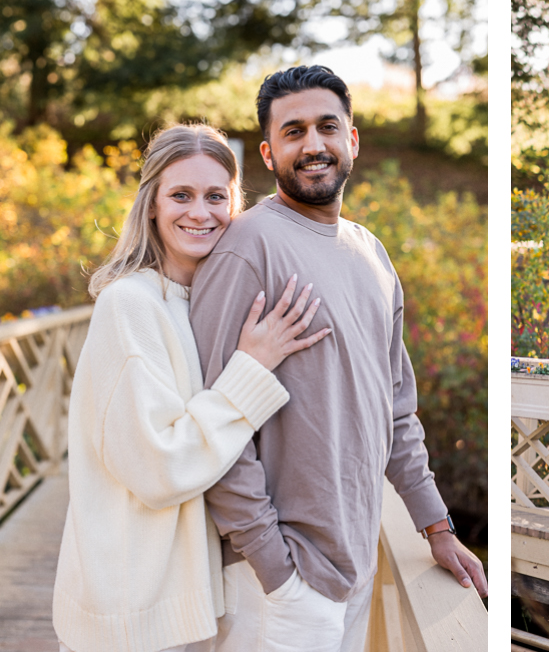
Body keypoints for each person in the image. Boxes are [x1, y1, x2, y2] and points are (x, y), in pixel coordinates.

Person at [189, 65, 486, 652]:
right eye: (293, 132)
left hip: (356, 564)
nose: (313, 144)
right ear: (269, 154)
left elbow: (395, 408)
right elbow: (210, 420)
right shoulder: (246, 249)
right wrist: (276, 568)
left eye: (327, 127)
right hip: (280, 581)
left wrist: (436, 524)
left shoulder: (371, 252)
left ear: (352, 140)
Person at [52, 124, 331, 652]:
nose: (199, 213)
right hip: (132, 614)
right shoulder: (130, 304)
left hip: (189, 603)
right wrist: (252, 368)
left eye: (215, 197)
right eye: (180, 195)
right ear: (151, 205)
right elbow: (161, 466)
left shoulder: (201, 301)